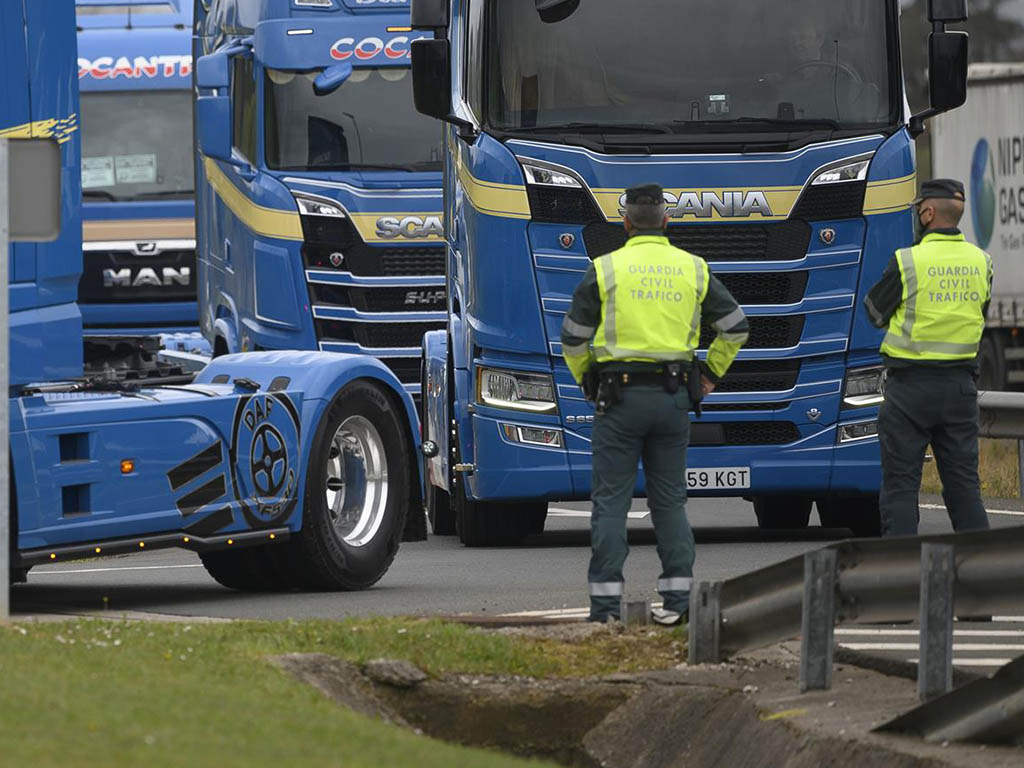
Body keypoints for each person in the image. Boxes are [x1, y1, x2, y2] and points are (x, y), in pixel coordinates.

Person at [560, 184, 749, 625]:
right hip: (673, 399)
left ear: (625, 223)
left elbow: (572, 337)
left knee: (610, 502)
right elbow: (736, 327)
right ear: (667, 221)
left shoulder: (605, 269)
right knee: (670, 502)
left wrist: (588, 379)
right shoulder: (694, 269)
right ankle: (679, 604)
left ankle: (606, 609)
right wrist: (708, 377)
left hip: (619, 399)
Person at [864, 179, 993, 537]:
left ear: (929, 212)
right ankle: (982, 578)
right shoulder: (982, 262)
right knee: (965, 488)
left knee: (901, 488)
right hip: (960, 390)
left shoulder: (909, 261)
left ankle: (902, 579)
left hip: (910, 391)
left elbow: (874, 313)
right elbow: (980, 314)